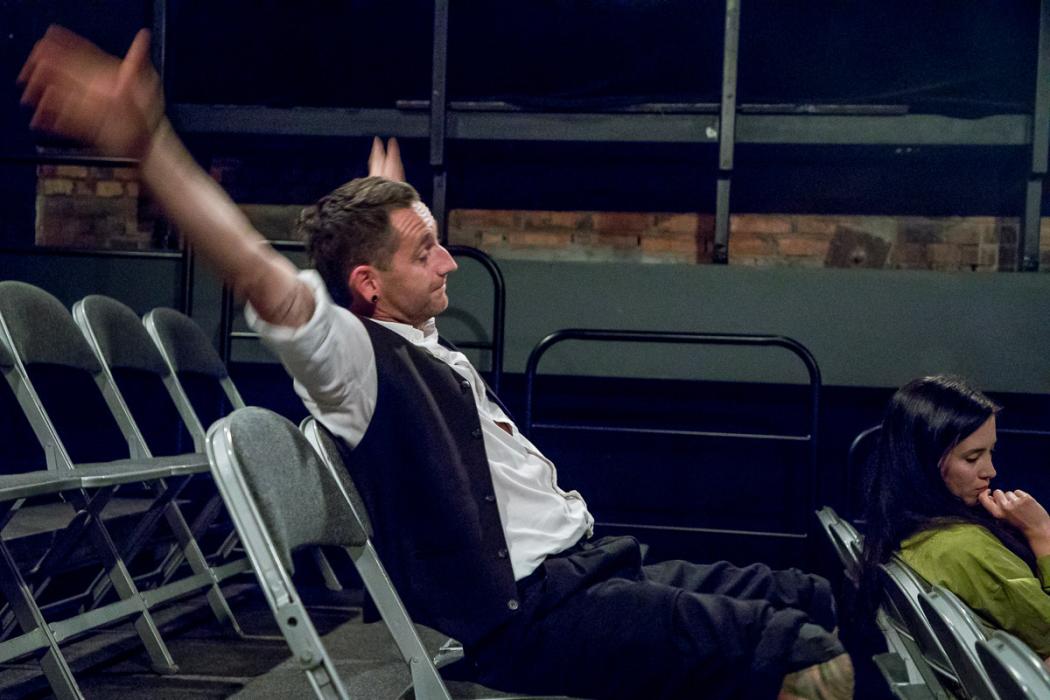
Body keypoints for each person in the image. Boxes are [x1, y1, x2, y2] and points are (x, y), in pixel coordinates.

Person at [18, 26, 854, 699]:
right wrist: (152, 146)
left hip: (593, 568)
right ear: (367, 285)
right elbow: (254, 267)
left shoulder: (417, 343)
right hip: (535, 615)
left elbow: (378, 250)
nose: (450, 262)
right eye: (427, 252)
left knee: (810, 594)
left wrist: (391, 202)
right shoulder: (355, 359)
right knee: (798, 651)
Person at [860, 375, 1050, 660]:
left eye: (990, 452)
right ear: (924, 460)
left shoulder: (906, 529)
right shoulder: (963, 547)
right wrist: (1041, 532)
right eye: (972, 458)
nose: (990, 471)